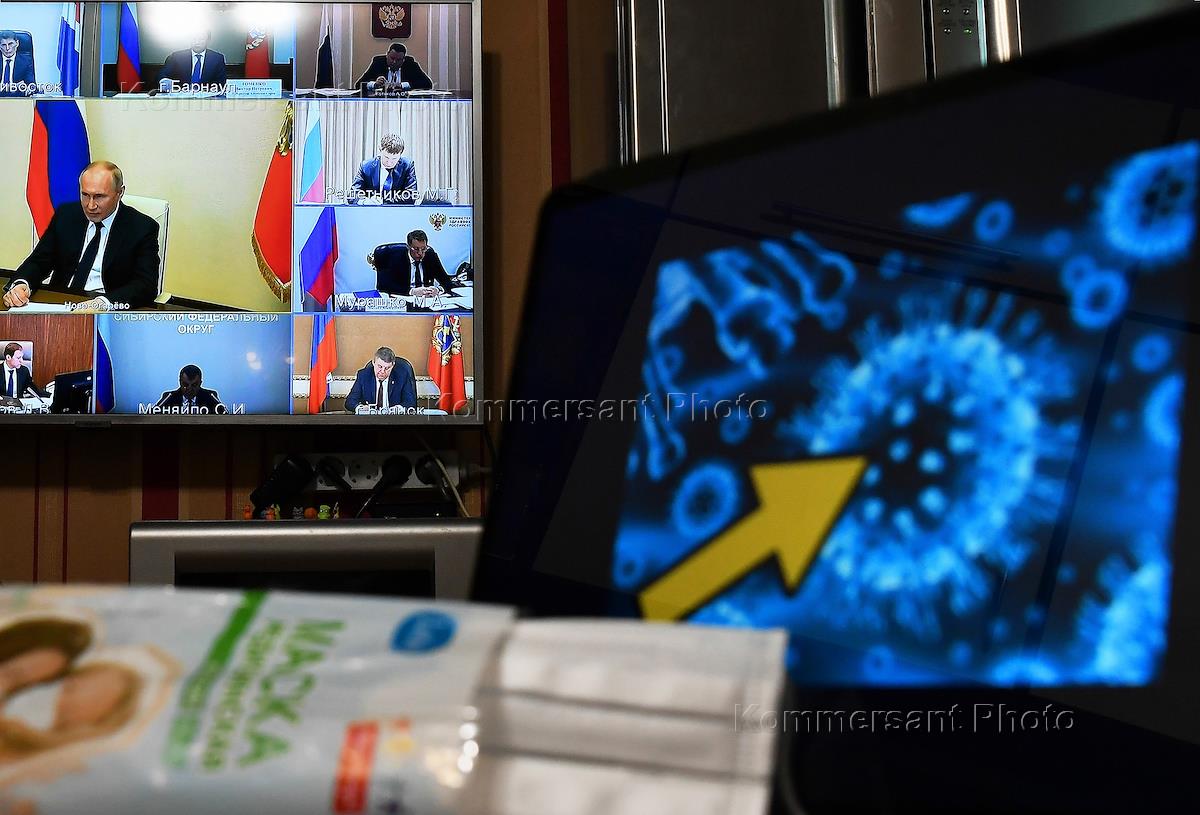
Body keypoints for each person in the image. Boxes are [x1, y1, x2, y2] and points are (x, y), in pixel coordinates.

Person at [2, 162, 160, 311]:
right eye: (85, 195)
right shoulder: (66, 215)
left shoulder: (142, 228)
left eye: (99, 196)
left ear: (120, 192)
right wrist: (22, 284)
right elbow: (39, 261)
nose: (91, 205)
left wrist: (103, 303)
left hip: (106, 308)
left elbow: (145, 285)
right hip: (61, 302)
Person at [375, 229, 456, 297]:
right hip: (404, 299)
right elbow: (384, 286)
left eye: (423, 249)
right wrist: (412, 291)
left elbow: (446, 280)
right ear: (408, 247)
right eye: (416, 249)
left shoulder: (430, 255)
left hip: (427, 300)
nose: (420, 253)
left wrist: (438, 289)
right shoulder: (395, 258)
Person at [351, 134, 418, 205]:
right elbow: (352, 195)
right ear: (380, 151)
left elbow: (411, 196)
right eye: (386, 157)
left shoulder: (408, 166)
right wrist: (365, 201)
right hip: (370, 210)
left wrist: (383, 201)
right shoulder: (366, 166)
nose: (389, 163)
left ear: (400, 154)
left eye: (394, 159)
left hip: (397, 211)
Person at [344, 347, 416, 411]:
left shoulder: (402, 376)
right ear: (373, 363)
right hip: (370, 419)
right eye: (380, 366)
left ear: (393, 365)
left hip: (394, 419)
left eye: (387, 368)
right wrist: (360, 408)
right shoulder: (363, 376)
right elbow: (350, 401)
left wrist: (398, 408)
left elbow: (410, 402)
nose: (382, 371)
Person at [158, 30, 227, 87]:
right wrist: (164, 81)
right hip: (182, 95)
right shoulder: (177, 56)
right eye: (194, 39)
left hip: (207, 96)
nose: (197, 42)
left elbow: (221, 82)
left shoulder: (217, 59)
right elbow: (163, 74)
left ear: (208, 40)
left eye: (201, 39)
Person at [356, 43, 432, 93]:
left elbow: (428, 84)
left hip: (405, 102)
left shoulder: (411, 64)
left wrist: (402, 85)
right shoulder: (378, 63)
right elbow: (358, 84)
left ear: (403, 59)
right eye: (392, 58)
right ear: (387, 55)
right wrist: (374, 84)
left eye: (398, 60)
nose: (394, 62)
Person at [153, 365, 227, 414]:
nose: (189, 389)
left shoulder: (210, 397)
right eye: (185, 385)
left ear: (200, 383)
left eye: (194, 385)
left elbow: (225, 416)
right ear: (180, 382)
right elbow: (151, 416)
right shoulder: (169, 397)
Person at [0, 31, 35, 98]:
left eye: (10, 44)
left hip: (18, 98)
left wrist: (26, 87)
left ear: (17, 43)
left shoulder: (26, 61)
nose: (7, 48)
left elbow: (32, 85)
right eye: (3, 45)